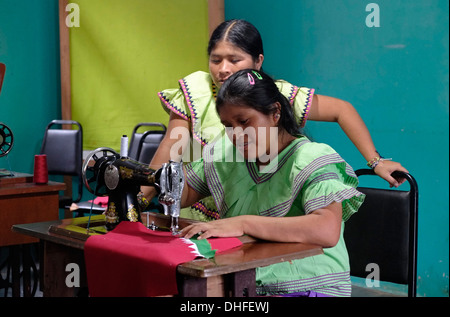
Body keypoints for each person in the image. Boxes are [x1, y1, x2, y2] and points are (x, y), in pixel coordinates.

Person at [142, 19, 407, 221]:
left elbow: (342, 110)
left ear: (258, 61)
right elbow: (173, 147)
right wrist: (143, 192)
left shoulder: (274, 95)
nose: (223, 69)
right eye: (216, 60)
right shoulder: (195, 92)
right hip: (200, 210)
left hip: (259, 213)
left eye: (235, 60)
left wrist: (376, 161)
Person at [178, 69, 365, 297]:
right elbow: (184, 190)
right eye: (228, 125)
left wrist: (244, 223)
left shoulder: (312, 158)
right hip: (248, 280)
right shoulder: (228, 153)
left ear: (275, 112)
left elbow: (326, 230)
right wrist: (153, 181)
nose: (235, 134)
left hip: (309, 286)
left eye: (244, 121)